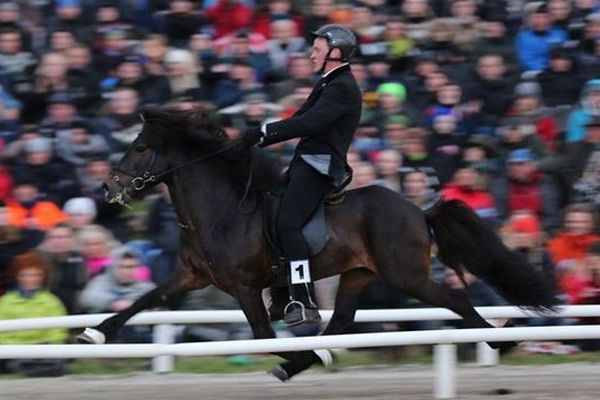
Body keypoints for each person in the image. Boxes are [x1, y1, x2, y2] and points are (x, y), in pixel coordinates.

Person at [241, 24, 362, 326]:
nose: (311, 55)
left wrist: (265, 131)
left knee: (288, 223)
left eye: (317, 50)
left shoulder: (342, 86)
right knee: (269, 210)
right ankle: (281, 297)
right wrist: (261, 137)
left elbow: (310, 123)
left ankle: (303, 298)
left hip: (320, 166)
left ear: (335, 53)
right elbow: (300, 119)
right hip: (306, 162)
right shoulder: (328, 82)